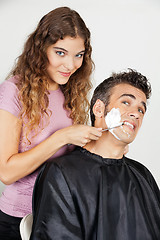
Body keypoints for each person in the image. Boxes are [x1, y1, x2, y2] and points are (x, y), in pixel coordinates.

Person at [0, 7, 102, 239]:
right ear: (40, 49)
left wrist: (105, 143)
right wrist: (62, 137)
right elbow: (6, 172)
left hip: (61, 216)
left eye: (79, 55)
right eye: (60, 53)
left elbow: (70, 161)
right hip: (18, 221)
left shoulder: (72, 92)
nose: (70, 65)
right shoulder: (13, 91)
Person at [30, 69, 160, 240]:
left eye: (141, 110)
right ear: (99, 109)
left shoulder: (142, 174)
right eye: (126, 102)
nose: (136, 113)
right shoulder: (62, 173)